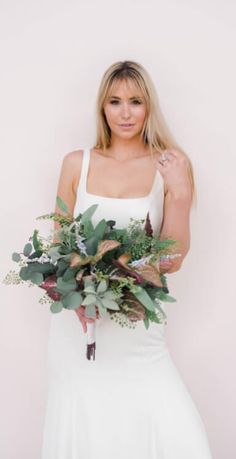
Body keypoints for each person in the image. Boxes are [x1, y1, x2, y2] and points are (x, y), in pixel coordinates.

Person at [41, 60, 213, 458]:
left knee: (172, 424)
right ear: (102, 106)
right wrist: (76, 299)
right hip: (80, 329)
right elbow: (59, 247)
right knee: (85, 423)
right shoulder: (76, 163)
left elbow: (173, 259)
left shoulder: (168, 166)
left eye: (135, 102)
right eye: (115, 101)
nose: (125, 112)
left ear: (148, 106)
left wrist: (181, 194)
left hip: (138, 325)